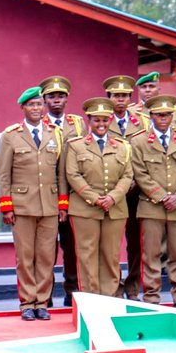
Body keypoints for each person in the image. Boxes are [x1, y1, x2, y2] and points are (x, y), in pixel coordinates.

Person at [0, 88, 64, 321]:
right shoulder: (11, 135)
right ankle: (27, 302)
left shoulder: (55, 133)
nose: (36, 108)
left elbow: (60, 173)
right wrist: (7, 206)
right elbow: (4, 174)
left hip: (49, 205)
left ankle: (42, 302)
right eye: (31, 105)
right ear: (23, 108)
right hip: (22, 206)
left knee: (46, 256)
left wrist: (62, 205)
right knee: (25, 257)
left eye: (39, 104)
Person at [128, 95, 176, 310]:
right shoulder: (139, 141)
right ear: (151, 116)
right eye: (159, 115)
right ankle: (151, 297)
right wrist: (160, 196)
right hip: (151, 205)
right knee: (151, 254)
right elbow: (139, 173)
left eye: (167, 114)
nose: (164, 118)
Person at [65, 97, 133, 297]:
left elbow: (127, 175)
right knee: (87, 255)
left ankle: (109, 298)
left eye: (105, 120)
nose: (101, 124)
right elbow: (72, 175)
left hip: (115, 208)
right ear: (89, 121)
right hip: (85, 208)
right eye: (96, 120)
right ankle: (91, 298)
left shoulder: (122, 146)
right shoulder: (76, 146)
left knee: (111, 255)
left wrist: (113, 197)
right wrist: (95, 198)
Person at [40, 75, 84, 306]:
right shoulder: (38, 123)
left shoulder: (77, 124)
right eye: (51, 96)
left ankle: (72, 291)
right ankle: (44, 295)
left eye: (60, 96)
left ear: (67, 99)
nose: (56, 100)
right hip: (45, 193)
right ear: (44, 100)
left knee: (72, 247)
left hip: (74, 194)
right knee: (46, 248)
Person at [103, 75, 149, 299]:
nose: (120, 99)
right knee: (111, 242)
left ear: (130, 98)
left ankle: (132, 287)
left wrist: (137, 181)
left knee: (136, 243)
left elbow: (148, 154)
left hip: (138, 191)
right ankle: (114, 286)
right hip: (111, 190)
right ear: (109, 98)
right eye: (115, 96)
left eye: (124, 96)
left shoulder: (143, 122)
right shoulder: (101, 119)